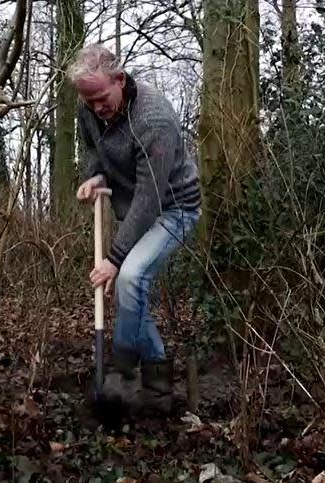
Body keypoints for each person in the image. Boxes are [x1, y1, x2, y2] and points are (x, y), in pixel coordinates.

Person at [69, 43, 201, 403]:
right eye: (88, 100)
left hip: (174, 208)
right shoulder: (89, 107)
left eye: (100, 97)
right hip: (136, 207)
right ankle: (158, 377)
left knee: (129, 276)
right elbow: (92, 147)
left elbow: (150, 197)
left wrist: (114, 258)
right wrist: (95, 176)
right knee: (132, 292)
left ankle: (122, 374)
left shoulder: (153, 120)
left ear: (120, 80)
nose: (96, 107)